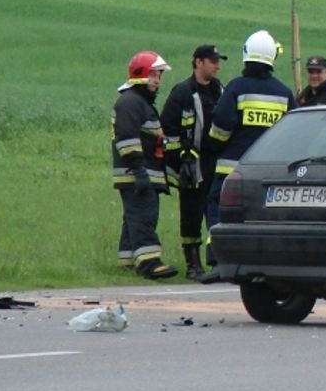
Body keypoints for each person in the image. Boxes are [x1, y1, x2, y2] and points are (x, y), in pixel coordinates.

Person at [201, 30, 297, 283]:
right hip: (271, 171)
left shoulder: (236, 87)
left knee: (219, 210)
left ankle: (217, 260)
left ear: (246, 55)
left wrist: (213, 145)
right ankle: (264, 266)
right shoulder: (284, 93)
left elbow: (222, 124)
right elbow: (294, 132)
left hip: (232, 168)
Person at [160, 44, 226, 280]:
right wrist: (182, 160)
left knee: (215, 212)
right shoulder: (183, 92)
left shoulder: (220, 89)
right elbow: (168, 128)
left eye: (218, 61)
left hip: (215, 162)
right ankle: (192, 263)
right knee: (191, 213)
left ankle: (217, 261)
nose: (217, 66)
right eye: (213, 61)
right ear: (198, 62)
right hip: (191, 165)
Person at [111, 50, 178, 280]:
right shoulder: (131, 102)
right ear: (141, 75)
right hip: (137, 172)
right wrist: (139, 172)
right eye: (154, 75)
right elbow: (127, 140)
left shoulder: (138, 102)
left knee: (133, 217)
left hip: (140, 172)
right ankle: (149, 263)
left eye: (159, 76)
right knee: (144, 216)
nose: (158, 81)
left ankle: (127, 261)